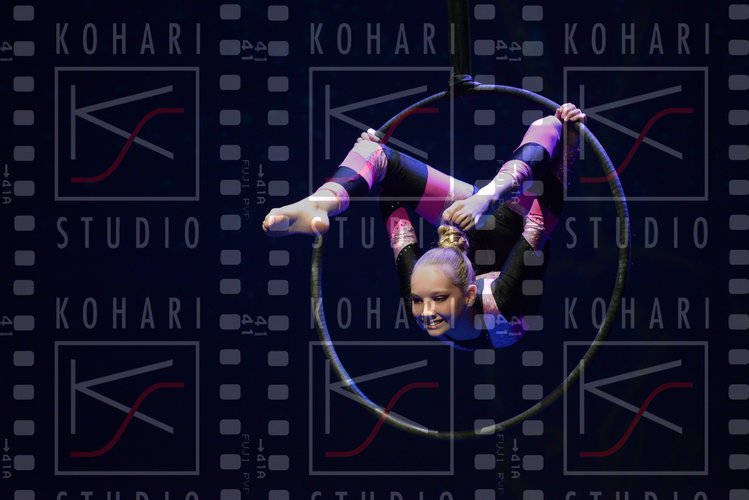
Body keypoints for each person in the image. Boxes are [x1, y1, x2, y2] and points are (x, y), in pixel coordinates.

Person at [262, 104, 586, 349]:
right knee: (549, 130)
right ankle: (321, 203)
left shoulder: (417, 307)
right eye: (423, 299)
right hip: (519, 227)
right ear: (470, 295)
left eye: (432, 299)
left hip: (474, 217)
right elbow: (541, 222)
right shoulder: (506, 305)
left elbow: (394, 213)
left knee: (375, 154)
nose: (425, 311)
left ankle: (486, 196)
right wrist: (570, 147)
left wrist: (375, 169)